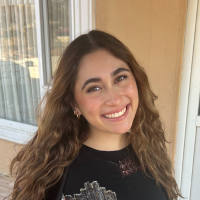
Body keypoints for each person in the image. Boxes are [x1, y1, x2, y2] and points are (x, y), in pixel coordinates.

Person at [8, 30, 182, 200]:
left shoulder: (148, 148)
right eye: (94, 88)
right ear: (74, 103)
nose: (114, 100)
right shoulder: (51, 177)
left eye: (120, 78)